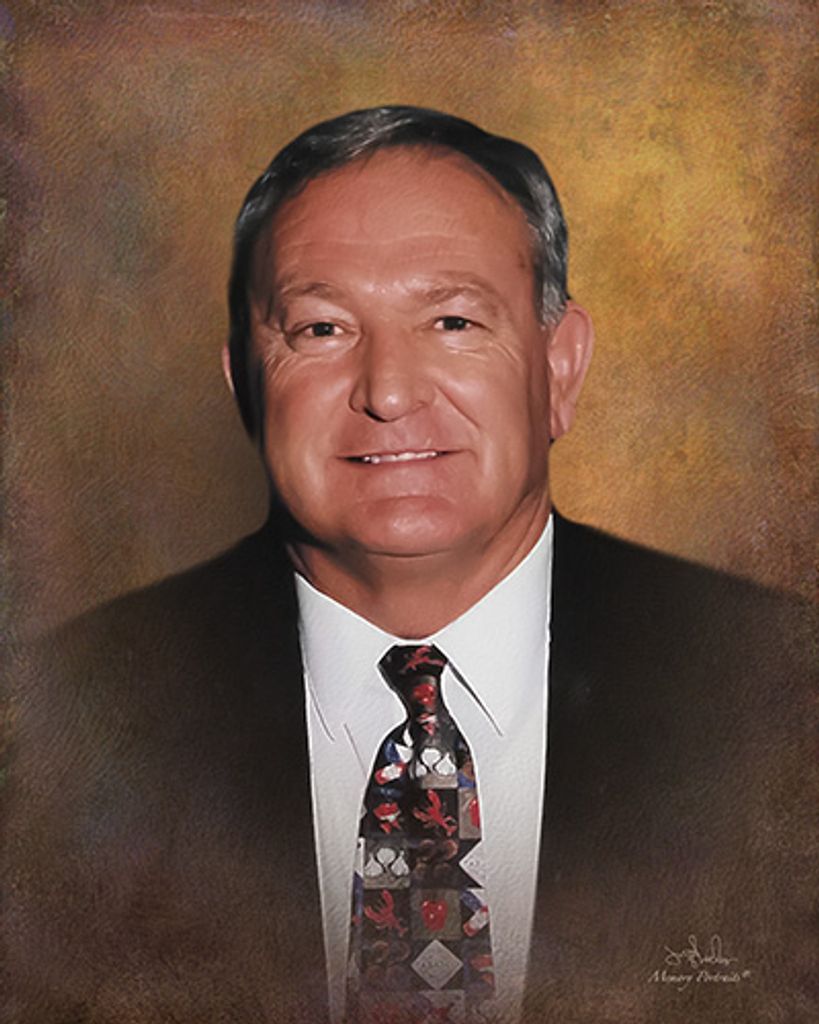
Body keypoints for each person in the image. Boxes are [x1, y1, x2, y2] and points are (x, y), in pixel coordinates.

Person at [3, 107, 814, 1024]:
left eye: (452, 320)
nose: (388, 391)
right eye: (320, 330)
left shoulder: (783, 697)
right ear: (246, 387)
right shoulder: (53, 729)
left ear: (560, 369)